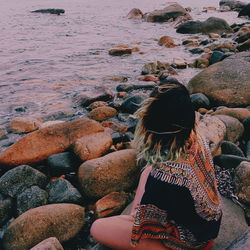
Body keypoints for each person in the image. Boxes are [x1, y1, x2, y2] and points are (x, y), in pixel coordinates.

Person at [90, 83, 222, 250]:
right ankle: (135, 215)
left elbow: (152, 225)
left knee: (98, 228)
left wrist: (138, 218)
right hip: (208, 223)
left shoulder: (165, 177)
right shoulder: (196, 137)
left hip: (190, 242)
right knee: (147, 170)